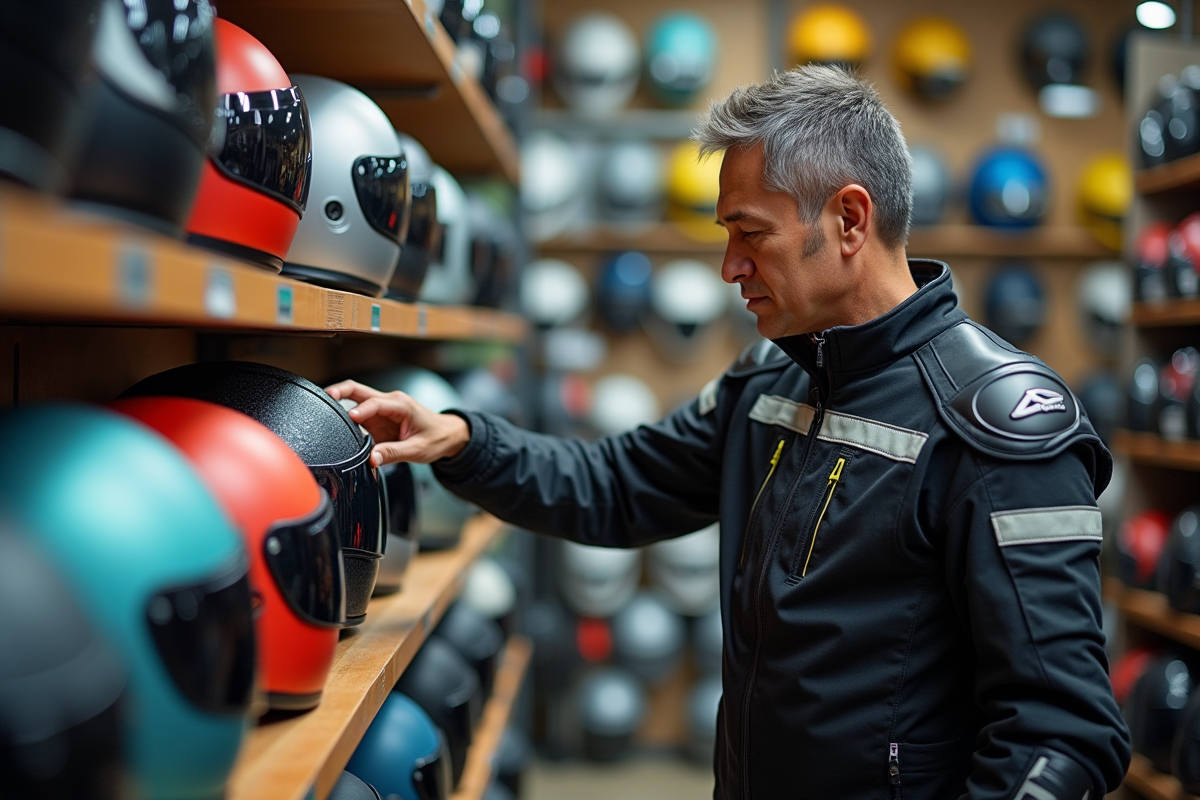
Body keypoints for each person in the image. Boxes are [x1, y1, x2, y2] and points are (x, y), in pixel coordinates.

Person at [327, 65, 1130, 800]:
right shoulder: (772, 384)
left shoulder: (994, 427)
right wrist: (466, 441)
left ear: (850, 219)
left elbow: (1061, 738)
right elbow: (618, 486)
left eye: (751, 233)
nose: (729, 267)